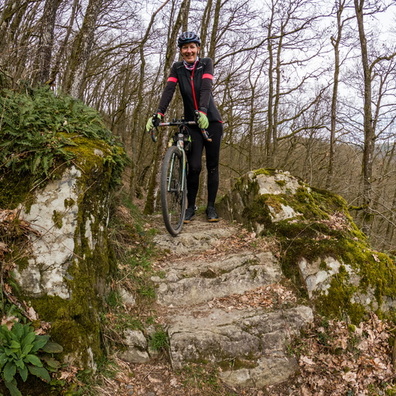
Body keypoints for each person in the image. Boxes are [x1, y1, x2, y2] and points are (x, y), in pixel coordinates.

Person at [146, 31, 223, 223]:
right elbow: (169, 90)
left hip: (211, 120)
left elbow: (206, 87)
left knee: (212, 166)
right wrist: (158, 113)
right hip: (191, 123)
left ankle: (211, 208)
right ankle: (190, 207)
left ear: (198, 48)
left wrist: (203, 111)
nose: (189, 51)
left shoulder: (206, 63)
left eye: (192, 47)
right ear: (180, 50)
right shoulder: (177, 68)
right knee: (194, 167)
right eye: (185, 48)